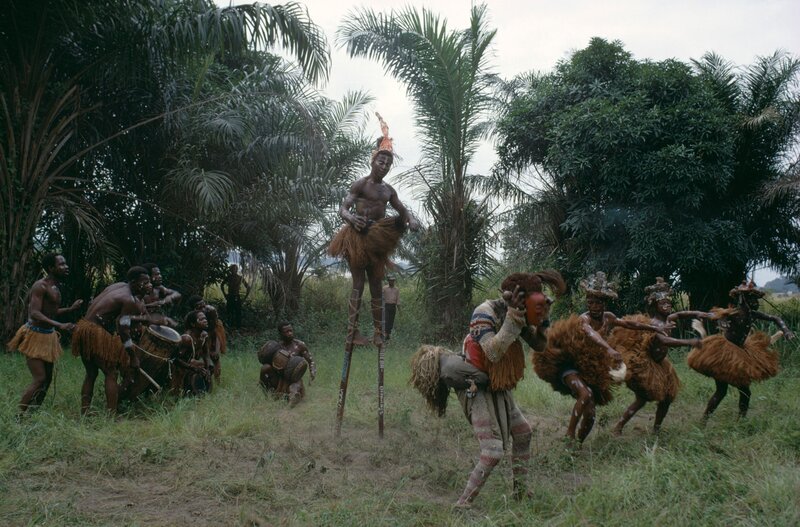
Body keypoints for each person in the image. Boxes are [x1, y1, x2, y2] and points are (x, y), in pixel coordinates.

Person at [411, 270, 565, 508]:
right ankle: (462, 504)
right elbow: (492, 352)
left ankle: (520, 493)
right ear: (515, 298)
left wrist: (543, 321)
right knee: (492, 450)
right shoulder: (484, 312)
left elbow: (539, 345)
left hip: (496, 382)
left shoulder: (517, 312)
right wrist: (514, 318)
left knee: (523, 433)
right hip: (475, 384)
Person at [533, 271, 668, 444]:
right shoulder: (584, 319)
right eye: (590, 302)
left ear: (604, 303)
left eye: (597, 303)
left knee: (590, 415)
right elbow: (592, 334)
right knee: (585, 394)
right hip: (571, 365)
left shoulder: (609, 318)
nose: (594, 306)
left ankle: (577, 446)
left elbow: (629, 323)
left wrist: (653, 328)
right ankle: (569, 435)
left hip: (591, 369)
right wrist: (609, 349)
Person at [328, 113, 419, 346]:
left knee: (377, 286)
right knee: (358, 284)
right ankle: (353, 332)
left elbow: (402, 210)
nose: (384, 166)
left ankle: (379, 332)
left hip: (376, 241)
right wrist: (352, 219)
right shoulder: (361, 184)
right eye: (381, 162)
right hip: (357, 237)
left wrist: (411, 220)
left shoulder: (388, 190)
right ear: (373, 160)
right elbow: (343, 208)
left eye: (388, 164)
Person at [608, 277, 707, 434]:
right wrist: (689, 342)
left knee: (667, 398)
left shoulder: (668, 319)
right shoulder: (655, 323)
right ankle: (618, 427)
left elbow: (681, 314)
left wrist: (698, 313)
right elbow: (665, 340)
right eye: (662, 304)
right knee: (642, 399)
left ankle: (656, 429)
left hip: (661, 364)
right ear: (655, 306)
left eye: (668, 303)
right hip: (647, 365)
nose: (667, 306)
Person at [687, 279, 795, 420]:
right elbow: (712, 316)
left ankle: (737, 420)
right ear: (743, 299)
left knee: (735, 391)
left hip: (741, 351)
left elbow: (775, 318)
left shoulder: (752, 314)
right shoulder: (735, 313)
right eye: (751, 299)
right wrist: (697, 316)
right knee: (724, 391)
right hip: (723, 354)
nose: (755, 302)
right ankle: (708, 420)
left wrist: (786, 331)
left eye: (755, 299)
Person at [71, 266, 173, 414]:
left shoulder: (118, 286)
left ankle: (85, 412)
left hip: (83, 328)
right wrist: (133, 357)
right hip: (95, 333)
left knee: (91, 373)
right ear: (134, 282)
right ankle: (111, 415)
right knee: (111, 373)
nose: (149, 285)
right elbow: (123, 331)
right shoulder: (129, 300)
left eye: (149, 282)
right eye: (145, 282)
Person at [7, 254, 83, 416]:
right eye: (61, 264)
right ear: (51, 268)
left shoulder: (55, 286)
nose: (66, 267)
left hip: (48, 336)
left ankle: (32, 414)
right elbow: (35, 313)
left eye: (65, 263)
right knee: (39, 378)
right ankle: (18, 416)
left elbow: (50, 311)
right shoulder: (40, 286)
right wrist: (60, 325)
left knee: (47, 379)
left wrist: (70, 309)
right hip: (34, 335)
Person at [258, 322, 317, 406]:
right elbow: (268, 363)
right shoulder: (277, 347)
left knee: (295, 384)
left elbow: (311, 361)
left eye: (291, 331)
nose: (290, 333)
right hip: (279, 378)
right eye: (286, 332)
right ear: (281, 334)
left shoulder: (299, 345)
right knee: (265, 367)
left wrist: (312, 372)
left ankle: (293, 397)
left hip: (293, 378)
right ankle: (268, 393)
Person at [171, 310, 212, 396]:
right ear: (193, 324)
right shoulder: (186, 339)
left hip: (190, 364)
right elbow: (175, 359)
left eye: (205, 318)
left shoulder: (204, 335)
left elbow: (206, 353)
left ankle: (200, 391)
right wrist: (193, 368)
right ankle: (182, 391)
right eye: (201, 319)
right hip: (180, 366)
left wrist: (208, 369)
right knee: (178, 394)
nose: (205, 320)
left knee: (209, 367)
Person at [187, 295, 226, 383]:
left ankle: (217, 380)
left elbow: (215, 333)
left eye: (203, 305)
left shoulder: (211, 312)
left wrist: (215, 349)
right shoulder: (191, 317)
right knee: (195, 358)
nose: (203, 309)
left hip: (212, 335)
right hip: (200, 337)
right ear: (194, 309)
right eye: (199, 307)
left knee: (215, 357)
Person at [221, 264, 250, 328]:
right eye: (232, 269)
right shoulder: (228, 277)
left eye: (235, 269)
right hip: (230, 296)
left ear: (237, 270)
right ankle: (230, 326)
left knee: (238, 312)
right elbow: (222, 285)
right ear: (230, 270)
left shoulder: (240, 278)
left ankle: (238, 327)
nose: (233, 270)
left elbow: (248, 287)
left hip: (236, 296)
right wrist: (225, 294)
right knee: (229, 312)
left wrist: (245, 298)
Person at [382, 276, 399, 340]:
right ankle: (385, 334)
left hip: (393, 306)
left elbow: (398, 299)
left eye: (393, 280)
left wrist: (399, 309)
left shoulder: (396, 289)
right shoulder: (384, 288)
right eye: (390, 280)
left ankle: (388, 335)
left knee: (391, 321)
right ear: (388, 281)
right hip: (386, 306)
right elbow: (382, 297)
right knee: (386, 320)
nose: (392, 282)